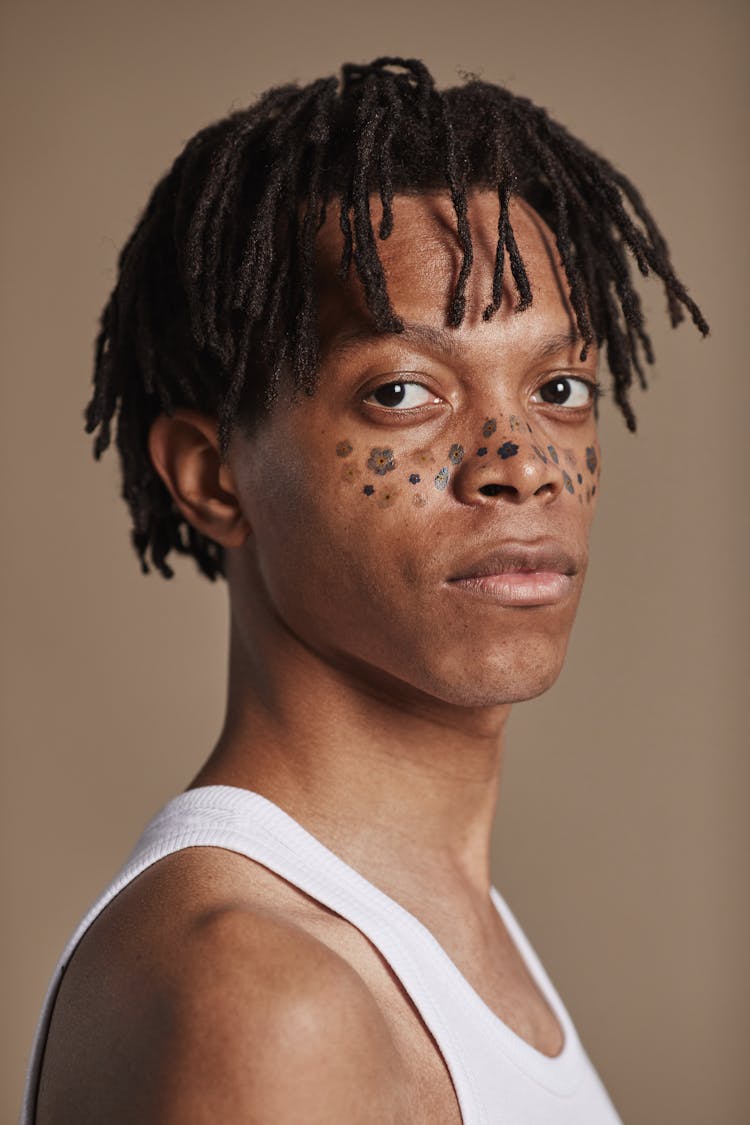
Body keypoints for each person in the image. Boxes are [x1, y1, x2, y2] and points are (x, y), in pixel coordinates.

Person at [21, 57, 708, 1124]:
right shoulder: (266, 996)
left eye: (559, 388)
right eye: (402, 392)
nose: (518, 461)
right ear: (212, 478)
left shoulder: (423, 932)